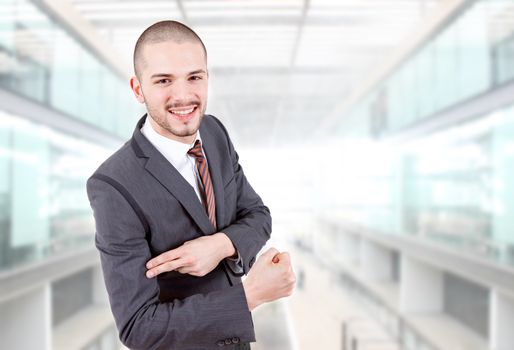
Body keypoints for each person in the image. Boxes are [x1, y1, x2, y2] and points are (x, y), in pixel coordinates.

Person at [86, 20, 295, 350]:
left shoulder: (214, 134)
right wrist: (250, 294)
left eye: (194, 77)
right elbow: (139, 328)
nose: (183, 96)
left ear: (207, 78)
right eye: (164, 80)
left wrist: (221, 245)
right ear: (138, 89)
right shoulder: (113, 185)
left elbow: (258, 215)